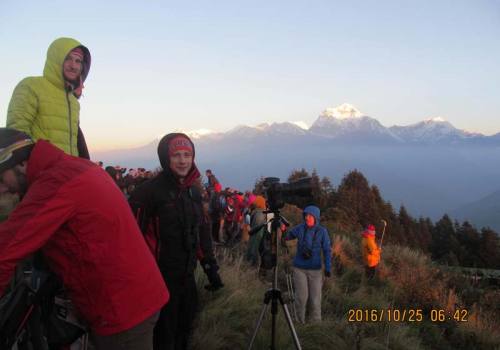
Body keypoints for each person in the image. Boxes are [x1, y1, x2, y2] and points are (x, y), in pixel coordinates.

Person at [0, 128, 168, 350]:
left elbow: (6, 249)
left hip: (121, 310)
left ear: (21, 163)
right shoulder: (72, 167)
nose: (2, 188)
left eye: (1, 177)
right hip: (133, 296)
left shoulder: (55, 183)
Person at [128, 133, 223, 350]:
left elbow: (201, 232)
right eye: (177, 155)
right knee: (163, 337)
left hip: (187, 279)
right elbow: (132, 240)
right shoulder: (148, 193)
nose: (183, 160)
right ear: (165, 158)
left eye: (187, 155)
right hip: (158, 282)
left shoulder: (193, 192)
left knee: (184, 333)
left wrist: (210, 267)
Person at [7, 37, 91, 159]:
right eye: (67, 58)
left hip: (68, 172)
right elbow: (16, 132)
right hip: (41, 171)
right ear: (55, 60)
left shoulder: (73, 102)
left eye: (78, 61)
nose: (73, 65)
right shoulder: (31, 86)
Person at [282, 205, 331, 323]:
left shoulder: (322, 232)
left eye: (310, 216)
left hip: (316, 271)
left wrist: (328, 268)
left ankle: (315, 324)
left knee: (315, 299)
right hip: (299, 269)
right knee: (301, 298)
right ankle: (299, 323)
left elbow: (327, 250)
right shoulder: (300, 228)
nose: (307, 218)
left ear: (316, 218)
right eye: (305, 215)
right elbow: (287, 237)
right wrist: (283, 231)